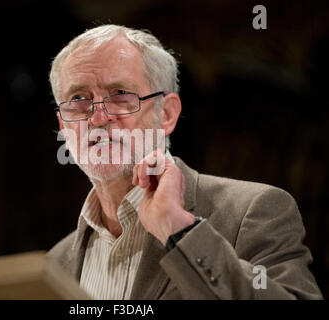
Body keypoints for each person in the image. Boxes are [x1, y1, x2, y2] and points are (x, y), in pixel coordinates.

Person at [47, 24, 322, 299]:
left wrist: (179, 231)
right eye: (78, 99)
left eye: (120, 95)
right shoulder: (54, 263)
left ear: (166, 113)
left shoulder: (254, 211)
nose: (97, 118)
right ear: (63, 126)